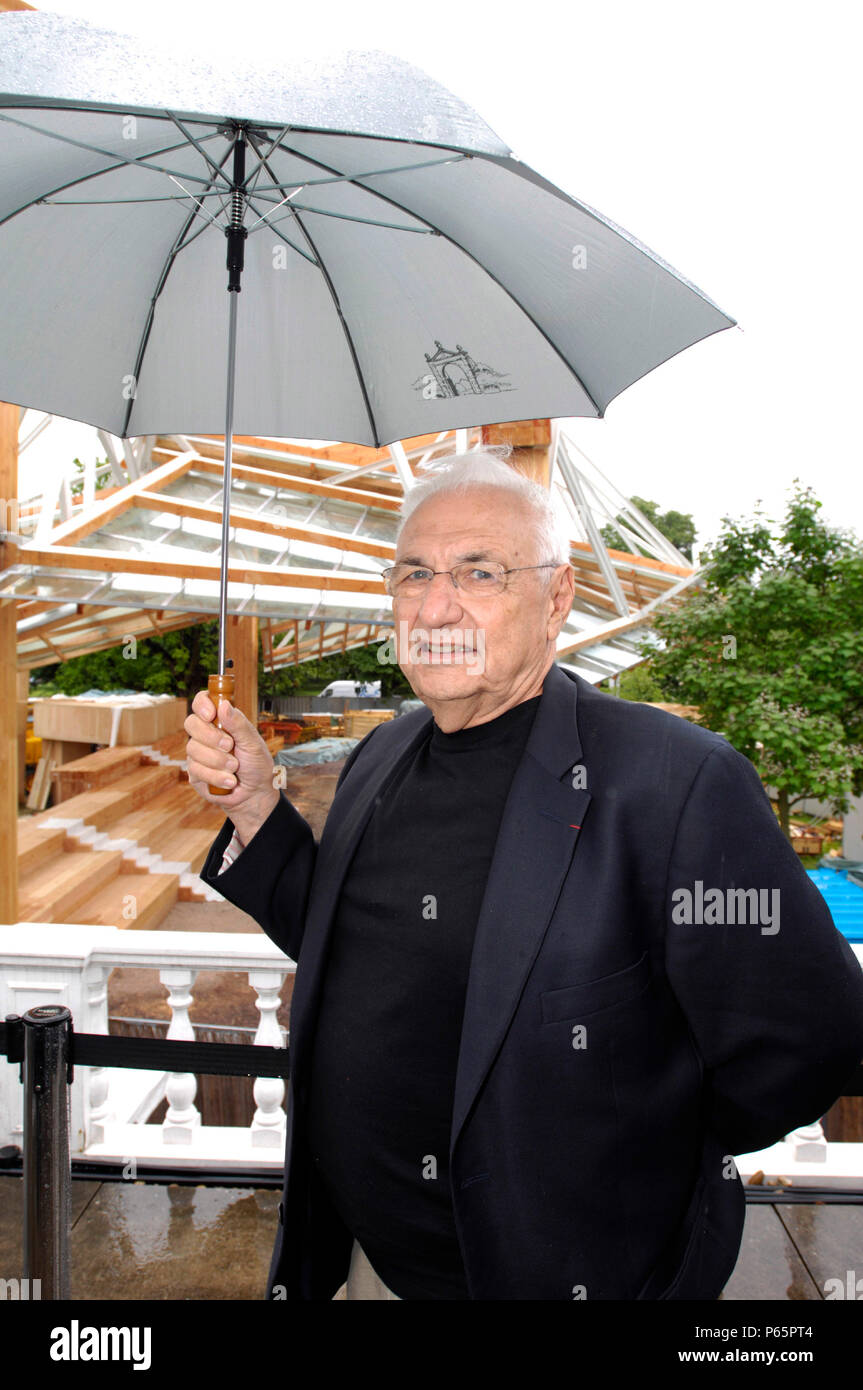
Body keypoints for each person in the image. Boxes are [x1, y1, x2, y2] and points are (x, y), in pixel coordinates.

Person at [185, 449, 863, 1301]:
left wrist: (655, 1147)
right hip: (369, 1265)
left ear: (556, 598)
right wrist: (255, 808)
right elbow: (346, 944)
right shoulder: (382, 752)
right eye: (414, 574)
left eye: (479, 573)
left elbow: (809, 1035)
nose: (435, 606)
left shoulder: (671, 782)